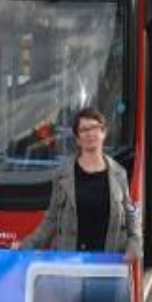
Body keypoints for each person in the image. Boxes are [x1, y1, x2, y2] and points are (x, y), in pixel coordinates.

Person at [14, 106, 140, 261]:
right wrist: (25, 246)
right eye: (84, 130)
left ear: (103, 132)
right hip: (71, 266)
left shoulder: (119, 173)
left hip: (108, 265)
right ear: (77, 139)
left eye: (94, 128)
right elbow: (51, 220)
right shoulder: (62, 175)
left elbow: (130, 216)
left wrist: (135, 243)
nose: (90, 134)